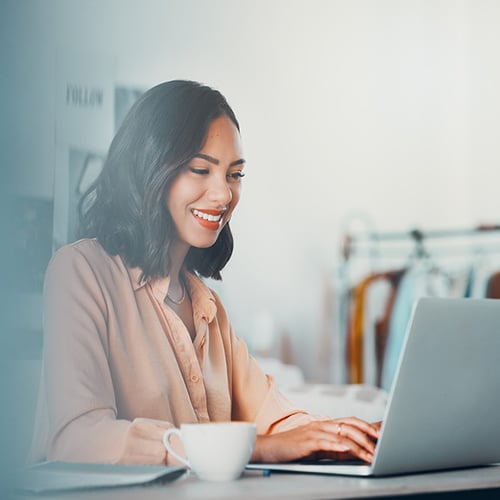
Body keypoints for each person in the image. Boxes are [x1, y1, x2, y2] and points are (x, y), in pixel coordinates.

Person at [29, 80, 380, 466]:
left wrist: (349, 436)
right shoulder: (79, 272)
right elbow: (79, 437)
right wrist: (252, 448)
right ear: (149, 169)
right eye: (201, 169)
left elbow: (275, 419)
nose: (224, 194)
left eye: (235, 174)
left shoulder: (206, 305)